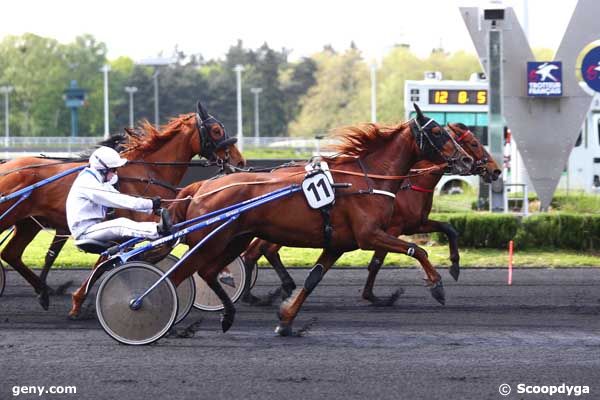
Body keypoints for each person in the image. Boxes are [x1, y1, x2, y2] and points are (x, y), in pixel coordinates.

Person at [66, 146, 171, 244]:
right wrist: (150, 204)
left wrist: (152, 209)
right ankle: (159, 231)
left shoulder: (98, 181)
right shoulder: (88, 182)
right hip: (85, 231)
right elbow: (120, 200)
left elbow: (119, 196)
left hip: (93, 227)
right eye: (114, 169)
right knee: (121, 224)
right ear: (103, 169)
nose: (116, 173)